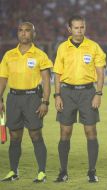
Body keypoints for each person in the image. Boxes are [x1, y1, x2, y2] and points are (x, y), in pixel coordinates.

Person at [53, 15, 106, 183]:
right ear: (69, 29)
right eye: (76, 27)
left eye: (82, 27)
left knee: (90, 132)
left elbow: (100, 72)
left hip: (88, 92)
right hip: (67, 93)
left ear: (85, 27)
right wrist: (57, 95)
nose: (79, 30)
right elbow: (57, 74)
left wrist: (98, 94)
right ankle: (63, 171)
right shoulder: (62, 48)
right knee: (65, 133)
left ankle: (91, 171)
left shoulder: (94, 47)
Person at [0, 22, 52, 183]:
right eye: (21, 31)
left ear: (33, 34)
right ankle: (13, 171)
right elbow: (3, 79)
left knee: (35, 134)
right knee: (14, 136)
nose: (23, 33)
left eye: (27, 30)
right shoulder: (9, 55)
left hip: (33, 98)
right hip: (13, 98)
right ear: (18, 33)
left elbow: (46, 81)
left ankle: (41, 172)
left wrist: (45, 102)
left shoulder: (40, 55)